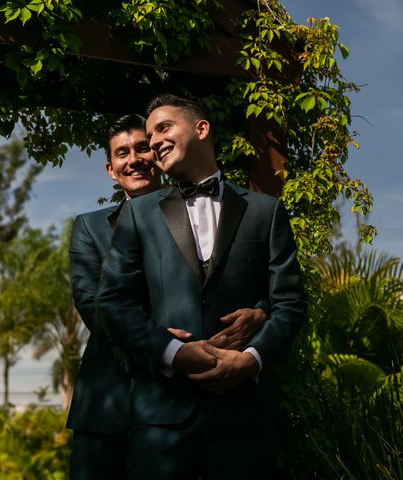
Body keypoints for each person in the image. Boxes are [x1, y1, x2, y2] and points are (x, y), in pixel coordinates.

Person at [95, 94, 307, 479]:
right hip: (162, 423)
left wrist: (251, 359)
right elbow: (112, 303)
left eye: (163, 128)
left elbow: (290, 302)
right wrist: (173, 352)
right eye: (149, 134)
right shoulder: (137, 215)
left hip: (245, 422)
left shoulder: (265, 211)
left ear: (201, 128)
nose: (154, 141)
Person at [68, 114, 268, 479]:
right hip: (111, 401)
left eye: (142, 148)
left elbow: (235, 280)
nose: (135, 159)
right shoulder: (89, 227)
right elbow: (92, 303)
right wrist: (161, 346)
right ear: (111, 169)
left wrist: (261, 311)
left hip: (189, 404)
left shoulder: (208, 215)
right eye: (122, 153)